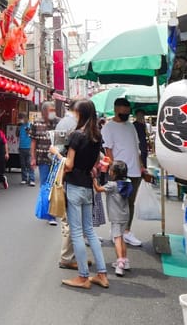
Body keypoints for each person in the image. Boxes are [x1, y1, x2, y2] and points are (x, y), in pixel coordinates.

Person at [49, 99, 109, 290]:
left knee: (76, 232)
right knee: (89, 231)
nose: (73, 114)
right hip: (87, 188)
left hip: (74, 185)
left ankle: (83, 276)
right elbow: (94, 165)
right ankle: (101, 274)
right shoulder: (97, 136)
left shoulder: (76, 135)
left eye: (75, 111)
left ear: (80, 114)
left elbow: (69, 165)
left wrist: (57, 154)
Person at [101, 98, 153, 246]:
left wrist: (142, 168)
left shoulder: (131, 127)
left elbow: (136, 149)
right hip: (119, 172)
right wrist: (113, 169)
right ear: (116, 109)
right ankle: (116, 231)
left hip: (135, 171)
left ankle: (126, 231)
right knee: (118, 204)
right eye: (123, 111)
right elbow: (108, 151)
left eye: (127, 111)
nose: (125, 114)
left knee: (130, 203)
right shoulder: (108, 127)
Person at [94, 160, 134, 276]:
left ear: (114, 173)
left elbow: (98, 189)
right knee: (121, 238)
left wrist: (94, 179)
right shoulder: (127, 183)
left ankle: (120, 263)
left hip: (116, 217)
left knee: (116, 239)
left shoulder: (112, 185)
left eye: (110, 170)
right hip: (125, 215)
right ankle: (125, 261)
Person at [52, 102, 78, 269]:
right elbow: (61, 153)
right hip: (69, 174)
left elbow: (56, 149)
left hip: (66, 173)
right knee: (69, 219)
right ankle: (67, 257)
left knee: (69, 219)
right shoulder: (72, 124)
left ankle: (71, 255)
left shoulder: (66, 123)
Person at [29, 101, 59, 225]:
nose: (52, 113)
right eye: (50, 110)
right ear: (44, 112)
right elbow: (33, 142)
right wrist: (33, 158)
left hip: (57, 159)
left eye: (54, 110)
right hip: (42, 159)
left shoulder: (59, 122)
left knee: (55, 185)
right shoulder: (36, 123)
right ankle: (48, 213)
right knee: (45, 186)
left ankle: (54, 213)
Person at [16, 112, 34, 185]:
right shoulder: (20, 126)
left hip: (29, 147)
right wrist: (17, 128)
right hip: (21, 147)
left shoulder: (30, 125)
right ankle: (24, 178)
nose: (21, 120)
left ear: (26, 118)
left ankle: (31, 179)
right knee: (23, 164)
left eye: (22, 118)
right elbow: (17, 135)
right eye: (20, 119)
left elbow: (32, 135)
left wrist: (28, 130)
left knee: (29, 164)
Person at [133, 108, 152, 175]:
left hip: (143, 145)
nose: (141, 116)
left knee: (144, 159)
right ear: (136, 115)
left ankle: (143, 172)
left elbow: (145, 135)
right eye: (140, 115)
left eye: (142, 115)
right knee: (139, 160)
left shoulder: (143, 125)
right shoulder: (134, 125)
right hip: (138, 146)